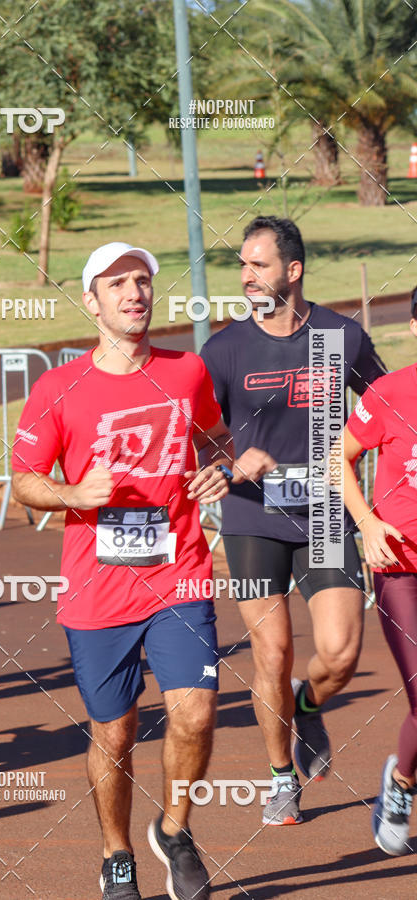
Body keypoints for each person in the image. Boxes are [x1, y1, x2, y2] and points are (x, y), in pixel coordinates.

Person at [12, 242, 272, 900]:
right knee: (115, 730)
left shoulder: (186, 372)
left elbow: (217, 437)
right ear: (91, 300)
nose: (134, 292)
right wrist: (72, 495)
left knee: (197, 714)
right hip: (97, 587)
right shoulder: (58, 386)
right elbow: (24, 481)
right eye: (117, 283)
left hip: (179, 574)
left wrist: (218, 466)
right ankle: (116, 852)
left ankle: (176, 828)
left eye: (142, 281)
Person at [200, 215, 387, 826]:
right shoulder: (224, 349)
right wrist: (232, 459)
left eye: (259, 264)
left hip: (329, 515)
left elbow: (390, 406)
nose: (247, 276)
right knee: (272, 653)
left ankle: (307, 706)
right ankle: (281, 775)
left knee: (339, 655)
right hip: (252, 519)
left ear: (293, 270)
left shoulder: (340, 337)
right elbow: (199, 437)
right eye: (243, 265)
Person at [342, 288, 417, 856]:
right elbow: (334, 458)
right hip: (401, 567)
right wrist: (366, 522)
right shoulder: (389, 393)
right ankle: (402, 783)